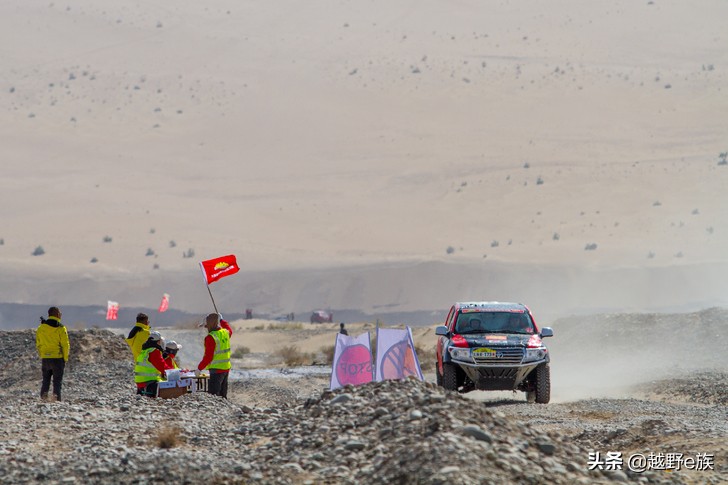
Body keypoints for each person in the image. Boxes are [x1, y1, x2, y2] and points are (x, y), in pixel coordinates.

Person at [36, 307, 70, 401]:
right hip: (57, 358)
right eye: (60, 313)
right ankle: (56, 401)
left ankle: (43, 399)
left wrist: (42, 354)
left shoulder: (41, 328)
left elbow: (38, 343)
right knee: (57, 383)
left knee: (45, 381)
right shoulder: (61, 328)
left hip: (45, 358)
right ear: (57, 314)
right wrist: (65, 358)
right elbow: (65, 345)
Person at [196, 313, 232, 399]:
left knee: (214, 396)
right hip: (226, 369)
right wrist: (222, 320)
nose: (206, 328)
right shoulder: (225, 332)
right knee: (223, 395)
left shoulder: (210, 337)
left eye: (206, 326)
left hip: (216, 371)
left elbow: (208, 357)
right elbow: (230, 330)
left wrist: (199, 368)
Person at [134, 331, 167, 397]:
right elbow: (163, 367)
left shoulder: (144, 351)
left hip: (141, 383)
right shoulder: (154, 351)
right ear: (158, 342)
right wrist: (175, 372)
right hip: (149, 384)